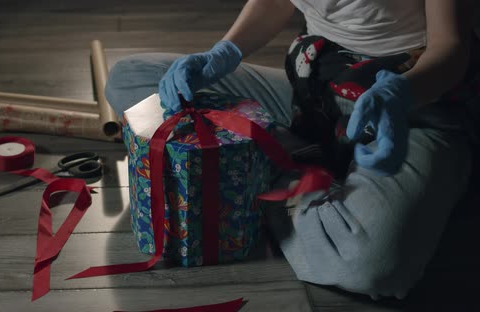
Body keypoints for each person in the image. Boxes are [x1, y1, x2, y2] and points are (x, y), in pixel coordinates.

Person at [104, 0, 480, 299]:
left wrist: (403, 95)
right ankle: (291, 171)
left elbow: (452, 47)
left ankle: (262, 179)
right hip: (315, 92)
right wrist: (223, 53)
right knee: (133, 79)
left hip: (411, 102)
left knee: (368, 259)